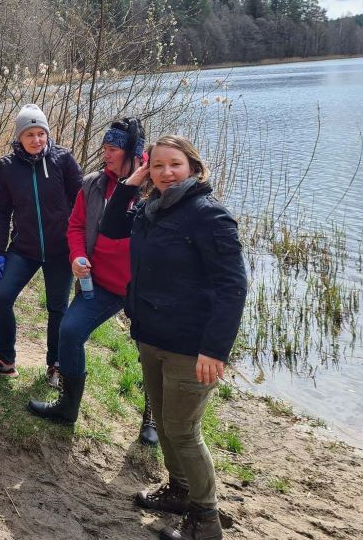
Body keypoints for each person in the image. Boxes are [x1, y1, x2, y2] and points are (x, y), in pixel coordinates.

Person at [96, 135, 247, 540]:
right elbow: (110, 228)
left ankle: (205, 519)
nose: (166, 172)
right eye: (158, 165)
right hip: (153, 337)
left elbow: (232, 288)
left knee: (183, 431)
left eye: (174, 164)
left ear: (194, 168)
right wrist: (133, 182)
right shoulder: (152, 209)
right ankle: (180, 491)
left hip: (191, 346)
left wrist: (215, 349)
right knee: (163, 423)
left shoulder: (208, 216)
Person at [27, 119, 159, 447]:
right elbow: (75, 226)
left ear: (133, 153)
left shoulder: (155, 186)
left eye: (112, 149)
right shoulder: (93, 184)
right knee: (69, 332)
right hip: (97, 283)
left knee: (151, 352)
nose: (106, 154)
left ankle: (153, 417)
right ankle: (67, 408)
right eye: (104, 148)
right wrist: (75, 256)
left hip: (141, 288)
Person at [0, 104, 82, 387]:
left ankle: (55, 366)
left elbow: (82, 205)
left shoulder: (63, 160)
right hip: (24, 249)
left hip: (60, 250)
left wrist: (81, 247)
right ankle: (5, 361)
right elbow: (1, 211)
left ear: (47, 134)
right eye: (29, 134)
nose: (36, 140)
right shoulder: (7, 166)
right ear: (19, 137)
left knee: (58, 308)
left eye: (40, 133)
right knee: (0, 297)